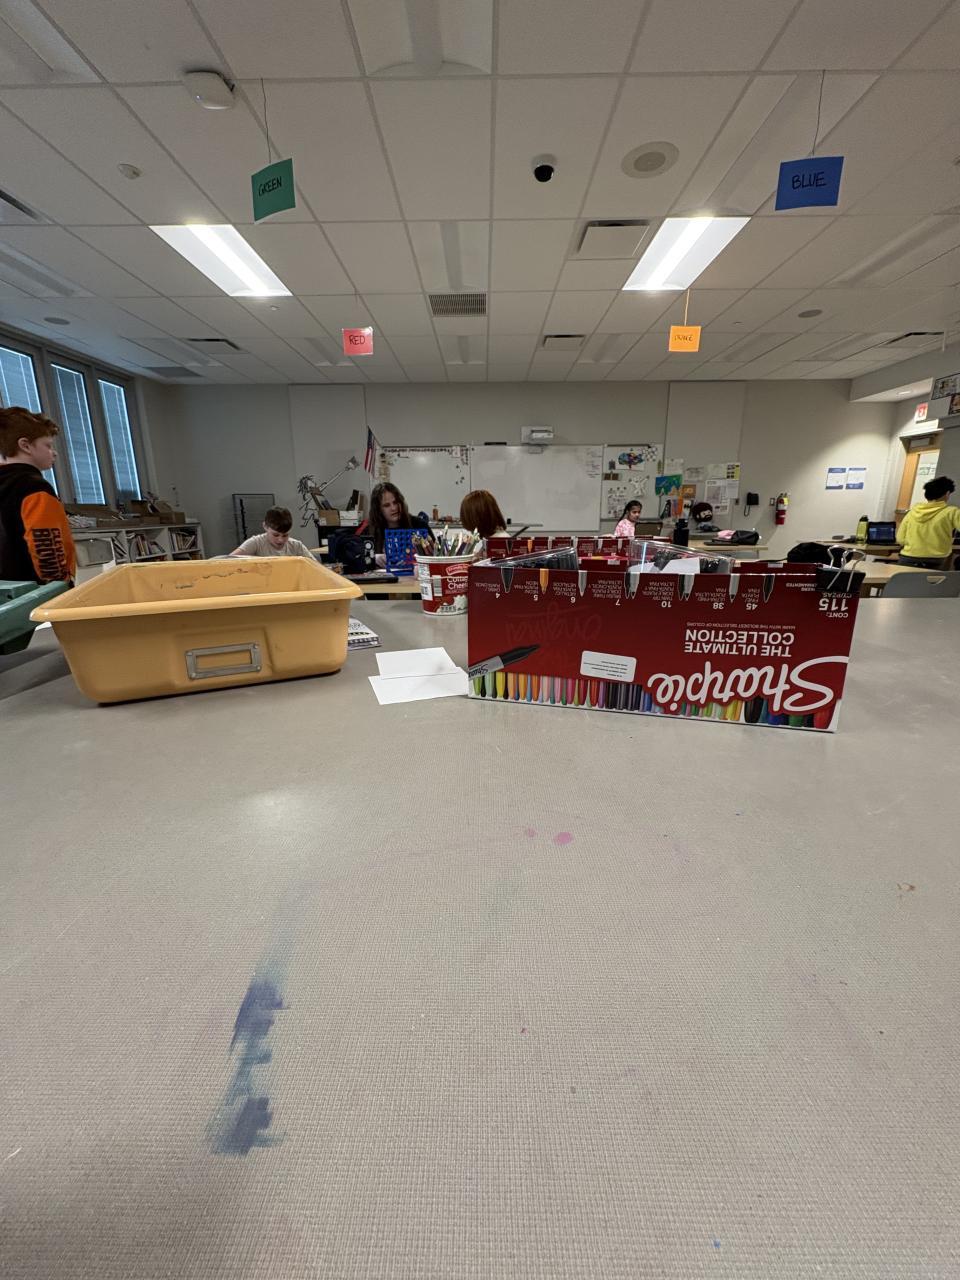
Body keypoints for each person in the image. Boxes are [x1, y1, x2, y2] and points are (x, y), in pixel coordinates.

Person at [0, 405, 75, 584]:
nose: (54, 453)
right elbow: (47, 550)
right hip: (37, 591)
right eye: (48, 445)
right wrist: (61, 586)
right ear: (25, 445)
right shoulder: (34, 488)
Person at [896, 476, 960, 568]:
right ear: (947, 494)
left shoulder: (913, 512)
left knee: (905, 578)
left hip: (908, 558)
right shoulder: (952, 512)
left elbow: (900, 539)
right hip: (935, 560)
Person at [363, 482, 428, 567]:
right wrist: (373, 558)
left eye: (396, 502)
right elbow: (357, 558)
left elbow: (437, 555)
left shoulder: (419, 525)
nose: (393, 508)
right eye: (387, 505)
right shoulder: (370, 530)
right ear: (378, 510)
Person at [230, 506, 313, 558]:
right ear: (265, 526)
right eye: (275, 535)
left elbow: (316, 567)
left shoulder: (297, 546)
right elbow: (228, 561)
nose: (280, 540)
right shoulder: (256, 543)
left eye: (285, 535)